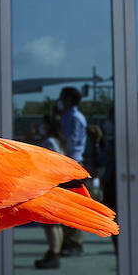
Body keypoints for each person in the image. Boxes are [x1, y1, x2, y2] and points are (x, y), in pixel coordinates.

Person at [33, 113, 68, 269]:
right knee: (55, 222)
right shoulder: (59, 142)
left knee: (50, 223)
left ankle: (54, 252)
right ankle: (55, 251)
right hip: (57, 183)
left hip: (49, 184)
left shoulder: (49, 141)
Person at [57, 85, 88, 256]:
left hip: (73, 162)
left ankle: (75, 242)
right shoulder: (68, 116)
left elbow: (70, 141)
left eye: (62, 97)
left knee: (74, 203)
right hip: (67, 162)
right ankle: (69, 241)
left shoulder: (75, 118)